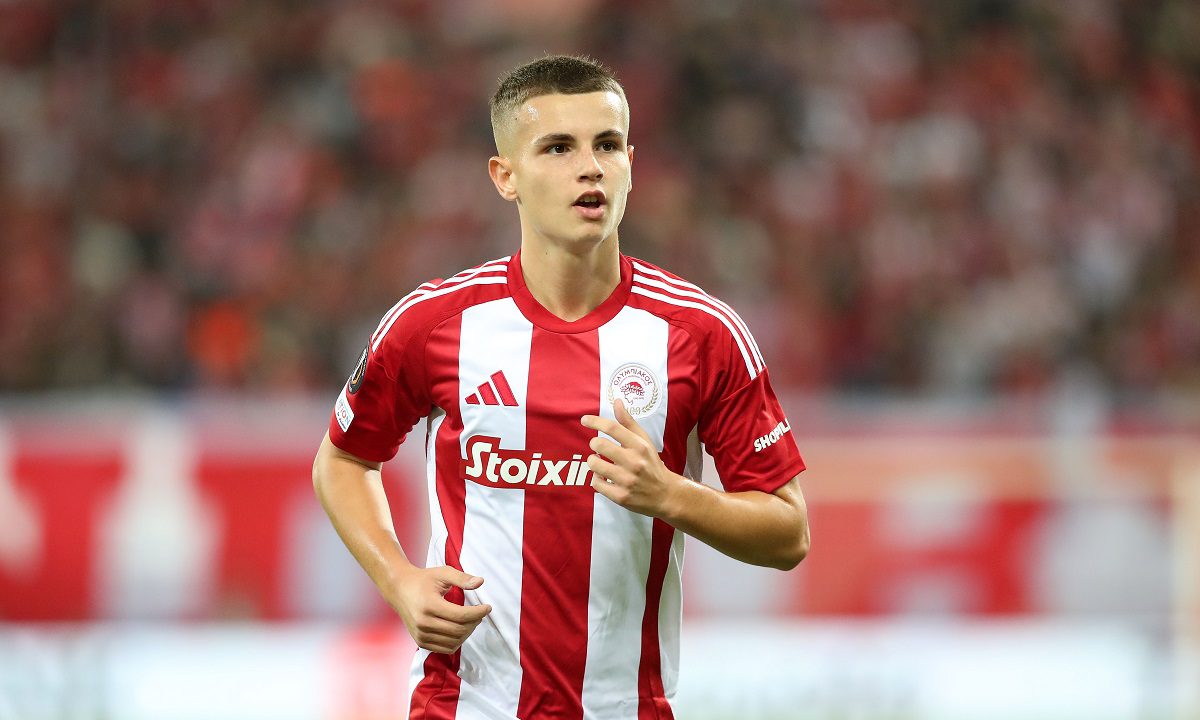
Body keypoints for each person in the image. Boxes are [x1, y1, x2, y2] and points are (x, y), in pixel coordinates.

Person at [312, 54, 809, 720]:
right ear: (505, 176)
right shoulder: (435, 323)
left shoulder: (701, 333)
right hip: (465, 705)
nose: (590, 167)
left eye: (607, 145)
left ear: (630, 164)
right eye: (557, 148)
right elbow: (343, 458)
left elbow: (788, 531)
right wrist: (399, 579)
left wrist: (671, 495)